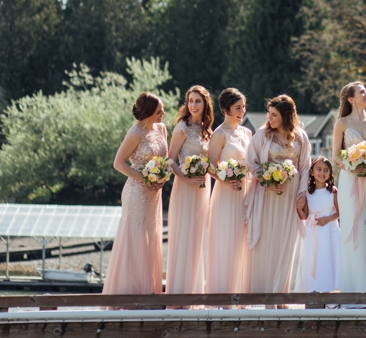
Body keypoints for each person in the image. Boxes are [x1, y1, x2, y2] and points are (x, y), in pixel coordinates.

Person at [245, 94, 312, 293]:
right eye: (269, 113)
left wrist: (301, 194)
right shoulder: (262, 135)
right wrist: (267, 181)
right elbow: (251, 163)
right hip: (267, 195)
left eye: (274, 114)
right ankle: (262, 292)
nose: (270, 118)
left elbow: (306, 166)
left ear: (285, 115)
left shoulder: (300, 136)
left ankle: (281, 292)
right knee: (266, 241)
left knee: (286, 241)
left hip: (290, 196)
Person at [102, 92, 168, 295]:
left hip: (154, 194)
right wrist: (145, 179)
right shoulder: (135, 133)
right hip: (136, 192)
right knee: (136, 238)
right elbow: (118, 163)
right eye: (159, 111)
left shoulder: (161, 129)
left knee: (152, 237)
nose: (163, 114)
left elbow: (163, 160)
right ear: (148, 112)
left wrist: (162, 178)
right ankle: (130, 293)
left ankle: (149, 292)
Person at [332, 81, 366, 292]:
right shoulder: (341, 123)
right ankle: (350, 287)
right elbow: (335, 156)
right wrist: (352, 166)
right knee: (351, 228)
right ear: (351, 99)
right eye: (362, 92)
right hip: (350, 180)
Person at [165, 85, 213, 294]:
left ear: (205, 104)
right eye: (190, 101)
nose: (193, 105)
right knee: (183, 235)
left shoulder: (207, 130)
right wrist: (186, 178)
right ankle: (179, 293)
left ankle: (194, 292)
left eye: (198, 101)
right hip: (185, 187)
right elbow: (169, 160)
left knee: (197, 237)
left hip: (203, 188)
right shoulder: (181, 128)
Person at [206, 87, 253, 294]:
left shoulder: (247, 132)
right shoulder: (219, 134)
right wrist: (226, 179)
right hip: (226, 193)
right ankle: (222, 293)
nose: (241, 111)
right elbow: (210, 166)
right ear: (225, 110)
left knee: (243, 241)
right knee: (226, 240)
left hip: (245, 192)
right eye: (237, 107)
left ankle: (240, 292)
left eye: (243, 107)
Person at [302, 156, 341, 292]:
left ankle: (331, 290)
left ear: (330, 174)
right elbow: (305, 215)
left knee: (330, 258)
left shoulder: (333, 192)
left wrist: (328, 219)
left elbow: (339, 212)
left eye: (326, 170)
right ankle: (313, 288)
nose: (322, 173)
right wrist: (298, 207)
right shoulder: (307, 193)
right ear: (312, 171)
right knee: (314, 259)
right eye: (318, 169)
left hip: (330, 230)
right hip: (312, 230)